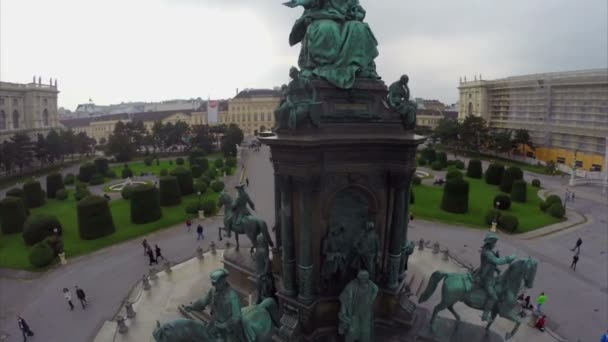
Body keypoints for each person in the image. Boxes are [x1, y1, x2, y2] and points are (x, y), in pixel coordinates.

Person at [185, 269, 247, 341]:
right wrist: (192, 307)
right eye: (213, 283)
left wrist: (225, 325)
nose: (214, 285)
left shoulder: (232, 296)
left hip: (229, 330)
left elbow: (237, 316)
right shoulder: (213, 291)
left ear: (223, 281)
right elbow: (204, 301)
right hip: (215, 323)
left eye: (216, 283)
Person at [474, 232, 517, 322]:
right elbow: (497, 261)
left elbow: (490, 264)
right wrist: (509, 258)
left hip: (489, 275)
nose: (495, 245)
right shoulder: (487, 253)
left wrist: (496, 269)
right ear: (490, 243)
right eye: (494, 243)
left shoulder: (488, 251)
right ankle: (485, 315)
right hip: (485, 278)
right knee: (494, 296)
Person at [338, 270, 379, 342]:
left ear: (367, 278)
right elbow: (344, 298)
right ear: (358, 278)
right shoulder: (352, 285)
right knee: (352, 329)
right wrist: (343, 312)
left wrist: (372, 299)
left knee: (365, 329)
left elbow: (376, 289)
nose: (363, 280)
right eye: (361, 278)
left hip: (366, 312)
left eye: (365, 278)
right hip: (355, 312)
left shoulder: (370, 284)